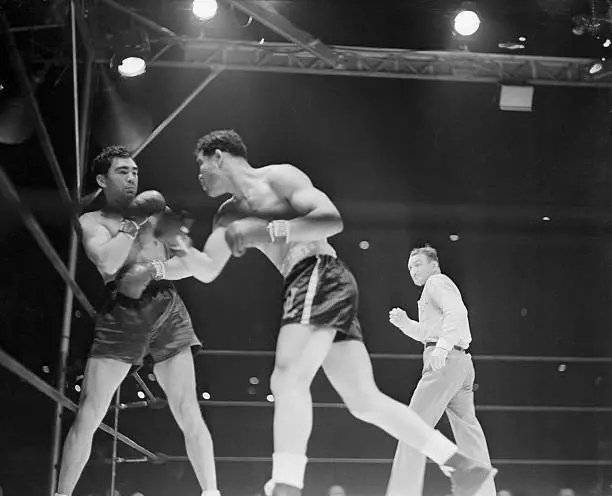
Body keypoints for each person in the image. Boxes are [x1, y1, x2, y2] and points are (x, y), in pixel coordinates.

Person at [174, 129, 495, 496]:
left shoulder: (279, 177)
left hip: (317, 272)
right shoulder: (226, 215)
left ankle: (286, 483)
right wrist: (173, 247)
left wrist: (272, 230)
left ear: (219, 156)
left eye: (201, 165)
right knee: (364, 401)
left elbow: (331, 219)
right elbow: (207, 268)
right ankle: (460, 465)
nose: (198, 176)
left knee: (287, 377)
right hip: (314, 284)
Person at [55, 146, 219, 496]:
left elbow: (191, 263)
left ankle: (212, 493)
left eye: (135, 172)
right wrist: (133, 223)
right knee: (91, 411)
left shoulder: (160, 214)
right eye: (122, 172)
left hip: (167, 306)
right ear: (102, 179)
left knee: (188, 408)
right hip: (123, 310)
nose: (132, 178)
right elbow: (110, 263)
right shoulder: (92, 222)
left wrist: (155, 267)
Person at [386, 245, 496, 496]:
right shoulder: (434, 287)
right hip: (459, 363)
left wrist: (442, 349)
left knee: (410, 425)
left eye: (417, 264)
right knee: (469, 433)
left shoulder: (436, 282)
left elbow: (457, 313)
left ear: (433, 264)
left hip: (445, 362)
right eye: (410, 268)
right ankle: (483, 491)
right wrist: (406, 325)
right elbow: (430, 334)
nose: (413, 271)